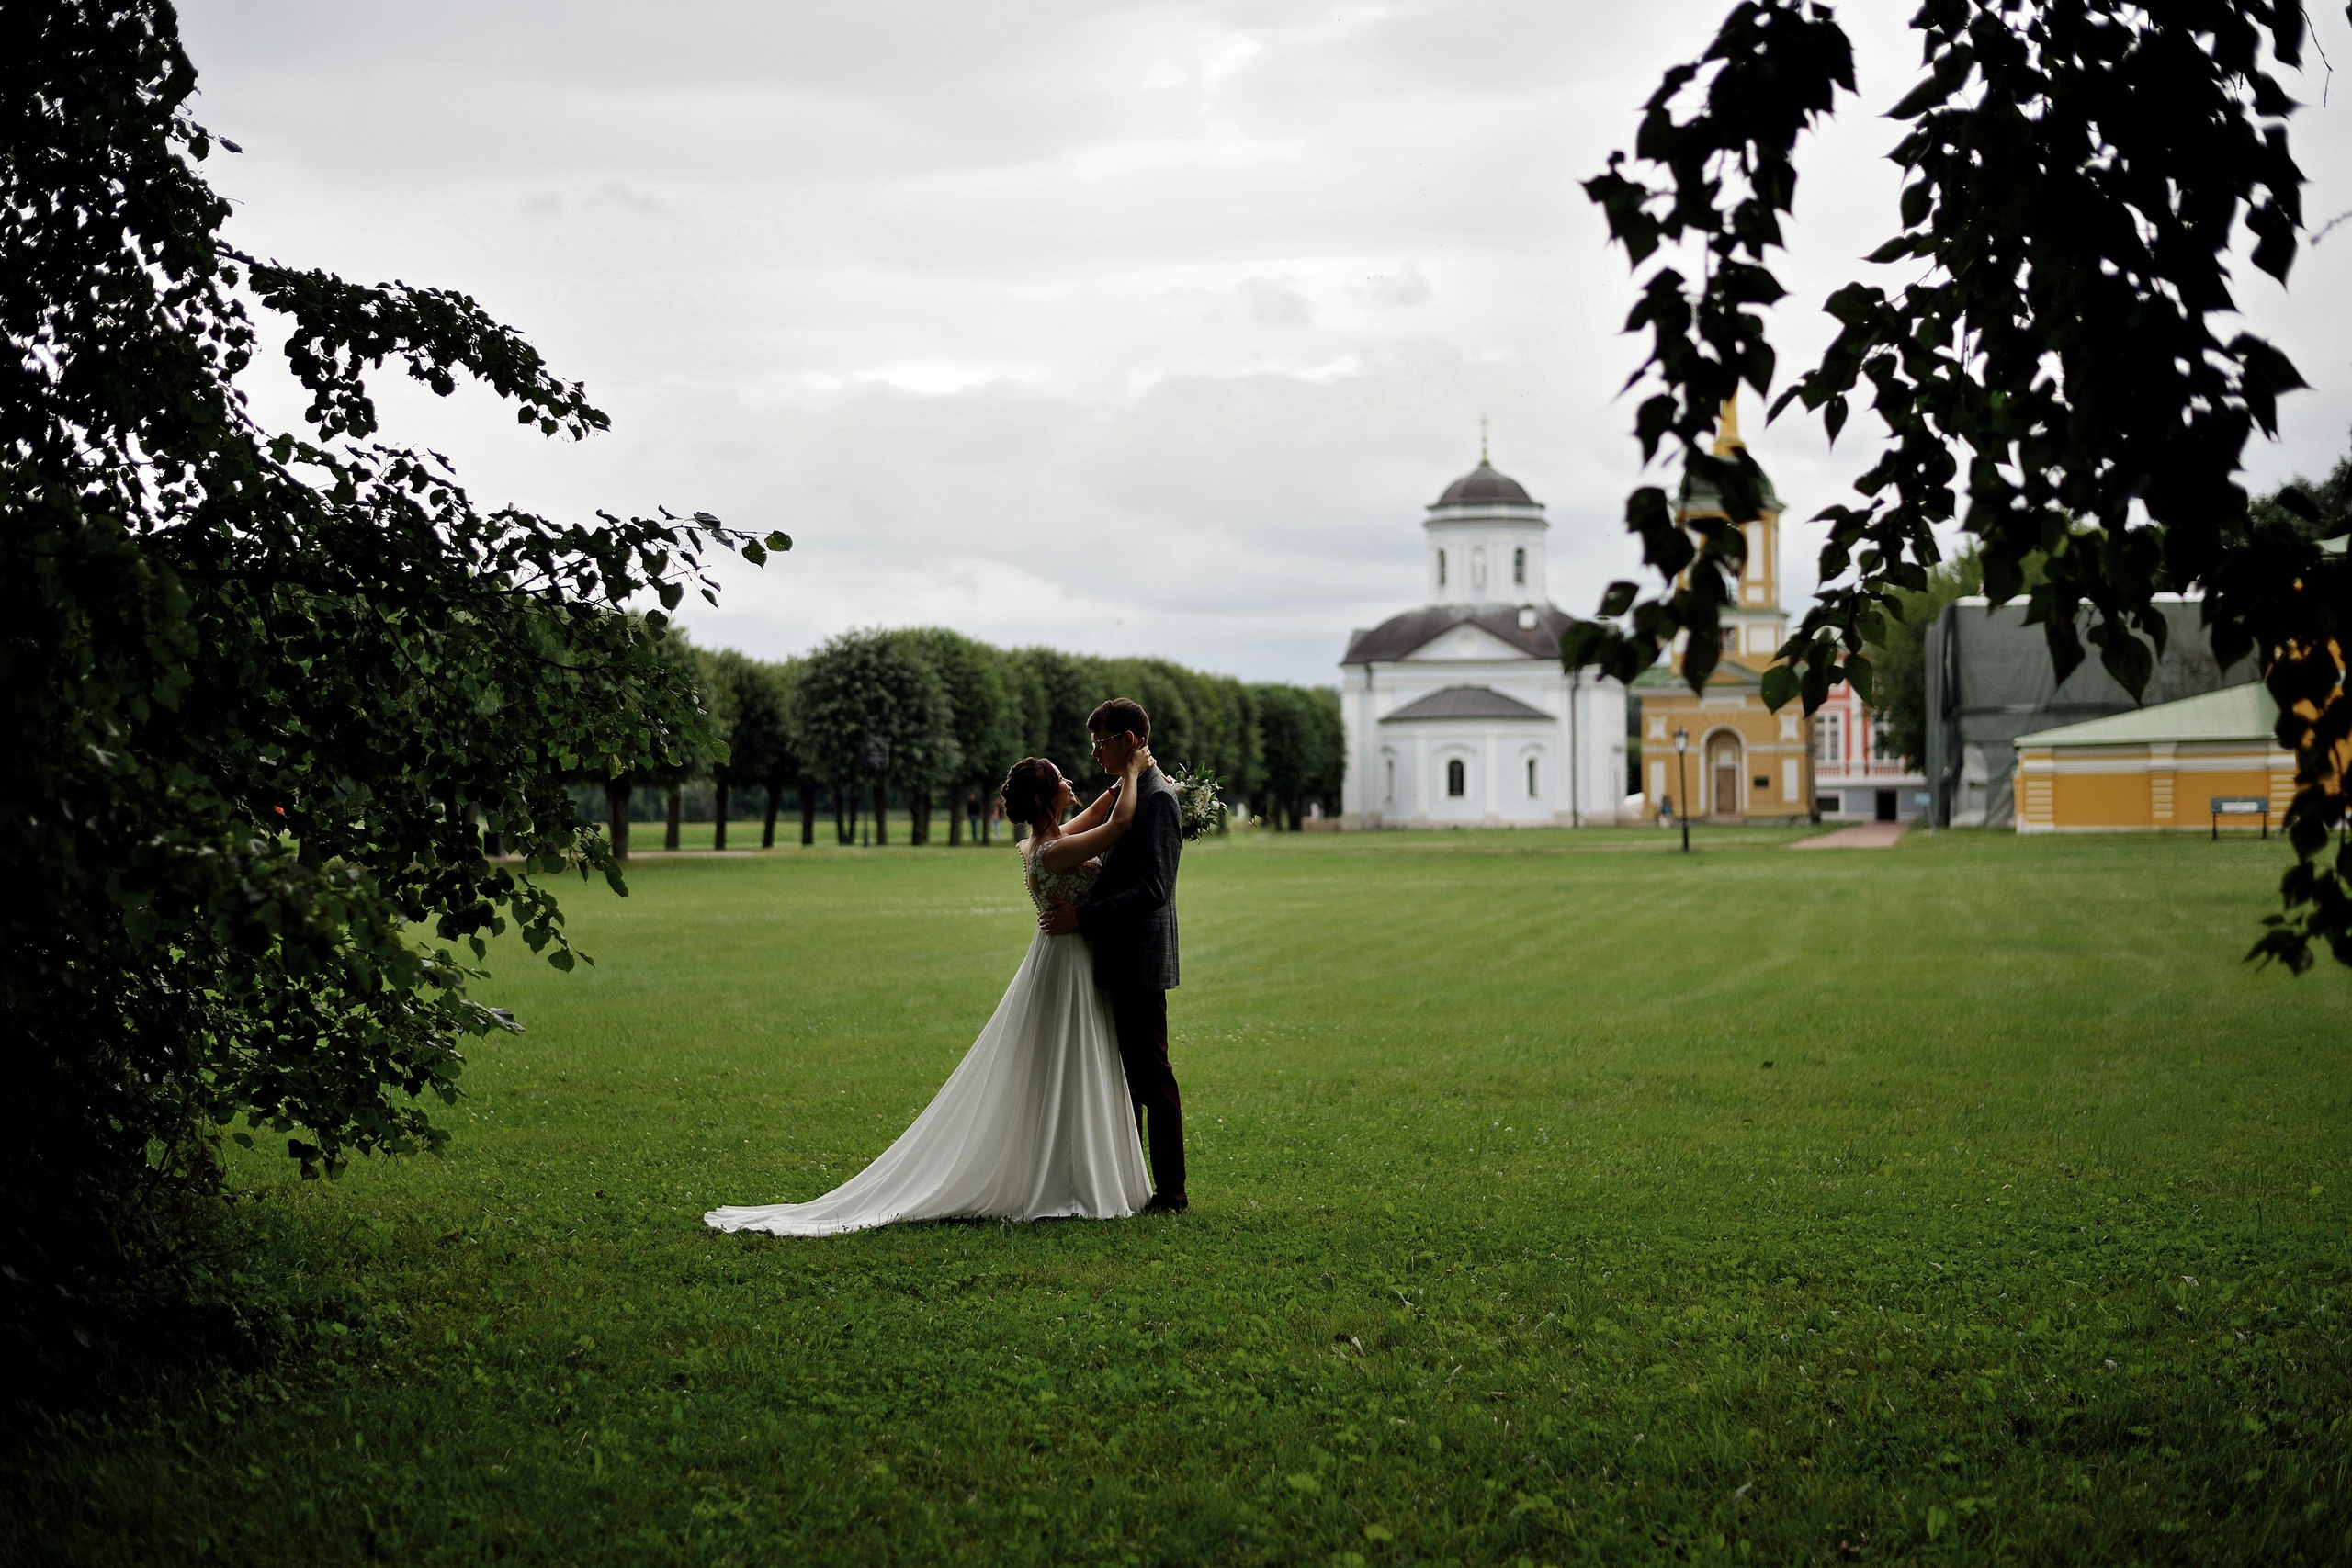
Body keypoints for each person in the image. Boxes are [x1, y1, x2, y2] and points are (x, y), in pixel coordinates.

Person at [704, 741, 1157, 1236]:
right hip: (1067, 962)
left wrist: (1124, 778)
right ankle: (1065, 1178)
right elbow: (1117, 826)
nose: (1072, 780)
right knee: (1068, 1061)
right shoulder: (1055, 849)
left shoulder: (1047, 840)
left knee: (1067, 1063)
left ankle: (1068, 1167)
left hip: (1064, 958)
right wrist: (1133, 775)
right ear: (1049, 799)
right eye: (1061, 777)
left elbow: (1094, 813)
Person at [1037, 698, 1187, 1213]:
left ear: (1129, 739)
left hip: (1140, 956)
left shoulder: (1158, 798)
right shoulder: (1133, 791)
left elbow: (1153, 889)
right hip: (1115, 954)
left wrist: (1084, 919)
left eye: (1101, 742)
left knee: (1151, 1076)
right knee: (1126, 1080)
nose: (1095, 752)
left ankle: (1171, 1194)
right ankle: (1132, 1185)